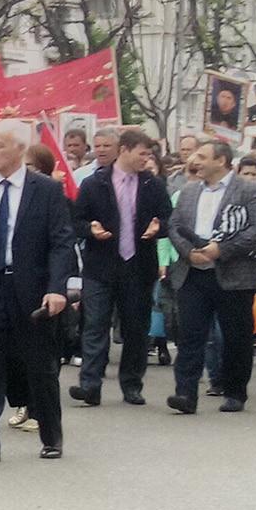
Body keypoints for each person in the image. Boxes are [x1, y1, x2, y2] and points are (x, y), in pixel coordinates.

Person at [0, 119, 78, 463]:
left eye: (0, 145)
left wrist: (57, 289)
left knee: (40, 368)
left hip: (34, 293)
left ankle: (51, 436)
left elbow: (61, 243)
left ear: (20, 148)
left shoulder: (47, 190)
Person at [167, 139, 256, 415]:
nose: (195, 161)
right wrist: (190, 253)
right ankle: (185, 394)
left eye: (202, 156)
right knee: (190, 336)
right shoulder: (188, 192)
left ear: (221, 161)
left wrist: (220, 250)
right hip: (193, 274)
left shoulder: (249, 190)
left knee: (236, 337)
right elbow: (175, 225)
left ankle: (235, 392)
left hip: (233, 275)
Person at [71, 127, 172, 408]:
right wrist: (90, 229)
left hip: (138, 266)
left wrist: (158, 227)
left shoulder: (152, 183)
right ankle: (89, 384)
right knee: (95, 325)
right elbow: (76, 221)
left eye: (149, 154)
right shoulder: (95, 183)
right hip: (101, 267)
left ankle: (131, 384)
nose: (146, 159)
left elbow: (167, 218)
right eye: (142, 153)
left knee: (136, 328)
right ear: (125, 150)